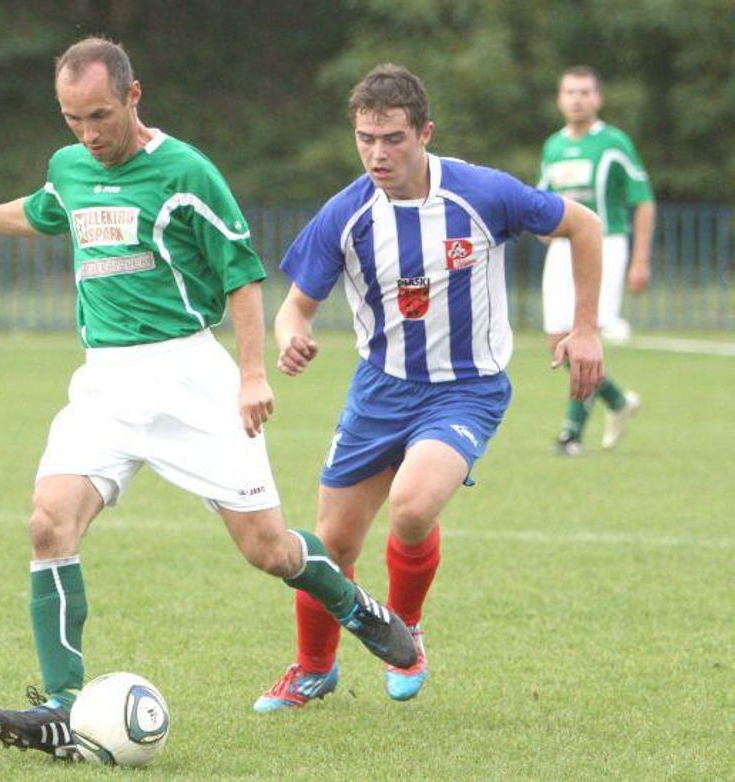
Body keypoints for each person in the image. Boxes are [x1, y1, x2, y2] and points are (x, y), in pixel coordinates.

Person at [0, 38, 416, 760]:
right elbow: (44, 211)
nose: (88, 134)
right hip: (105, 382)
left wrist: (253, 374)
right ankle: (59, 706)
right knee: (48, 524)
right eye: (73, 119)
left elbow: (240, 272)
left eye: (100, 115)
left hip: (188, 378)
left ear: (134, 97)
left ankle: (355, 607)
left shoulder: (185, 171)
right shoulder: (72, 167)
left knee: (267, 549)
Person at [252, 64, 605, 712]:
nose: (378, 154)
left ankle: (404, 627)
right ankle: (313, 668)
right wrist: (289, 334)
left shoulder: (481, 193)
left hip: (466, 389)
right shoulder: (347, 213)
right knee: (332, 544)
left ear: (424, 133)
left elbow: (582, 225)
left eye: (392, 138)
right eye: (366, 139)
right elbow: (294, 305)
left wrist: (585, 329)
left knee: (413, 508)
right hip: (379, 390)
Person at [538, 65, 655, 456]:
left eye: (585, 92)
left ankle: (571, 434)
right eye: (570, 92)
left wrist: (640, 260)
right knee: (558, 340)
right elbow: (543, 199)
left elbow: (643, 200)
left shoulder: (614, 142)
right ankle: (619, 401)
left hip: (606, 245)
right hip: (560, 250)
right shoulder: (553, 146)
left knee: (584, 337)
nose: (577, 99)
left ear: (598, 98)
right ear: (559, 98)